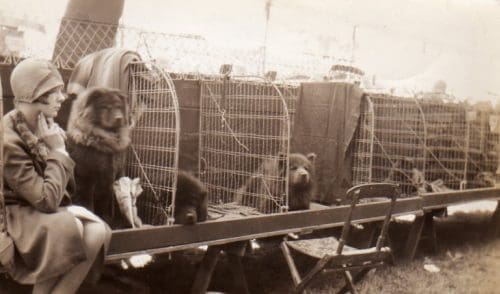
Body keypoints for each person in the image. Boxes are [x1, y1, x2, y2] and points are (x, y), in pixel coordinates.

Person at [2, 58, 111, 294]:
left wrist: (53, 147)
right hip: (15, 217)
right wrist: (58, 150)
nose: (62, 98)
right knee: (74, 228)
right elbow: (47, 200)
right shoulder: (9, 140)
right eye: (55, 91)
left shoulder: (43, 128)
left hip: (35, 211)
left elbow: (64, 191)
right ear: (35, 94)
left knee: (98, 231)